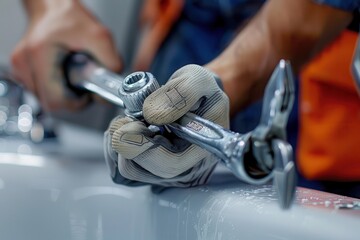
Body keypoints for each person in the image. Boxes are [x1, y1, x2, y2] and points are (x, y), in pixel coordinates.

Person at [11, 0, 360, 194]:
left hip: (317, 116)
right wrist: (51, 9)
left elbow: (303, 20)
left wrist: (231, 78)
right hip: (186, 37)